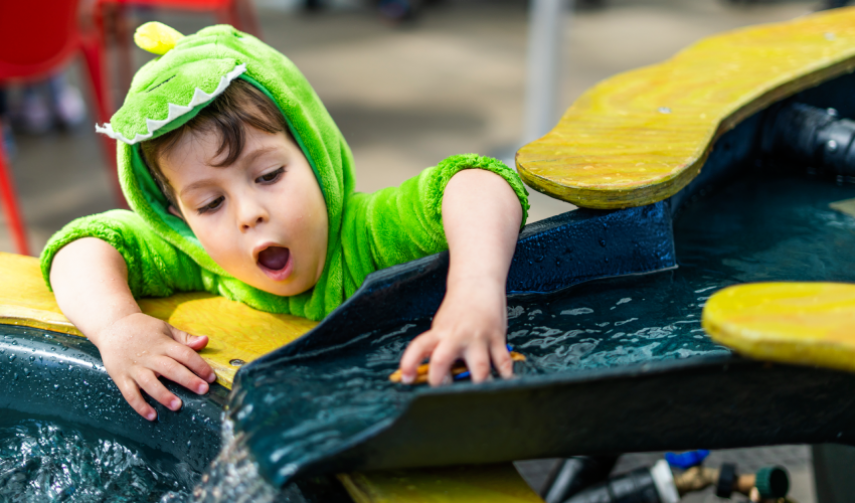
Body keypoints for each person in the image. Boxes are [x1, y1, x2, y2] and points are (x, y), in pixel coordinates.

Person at [42, 22, 529, 421]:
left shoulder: (364, 235)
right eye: (210, 204)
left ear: (314, 155)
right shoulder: (205, 257)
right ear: (180, 219)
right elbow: (80, 246)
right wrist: (118, 327)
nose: (248, 213)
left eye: (269, 175)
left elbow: (479, 183)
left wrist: (474, 294)